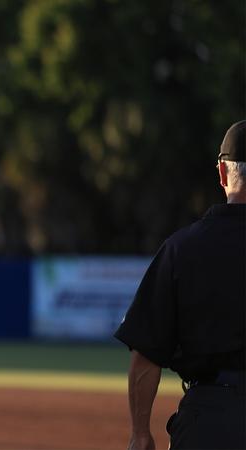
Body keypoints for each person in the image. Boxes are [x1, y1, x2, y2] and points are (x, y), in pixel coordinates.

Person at [114, 120, 246, 450]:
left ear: (222, 173)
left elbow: (146, 353)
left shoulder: (182, 249)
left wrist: (140, 433)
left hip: (210, 421)